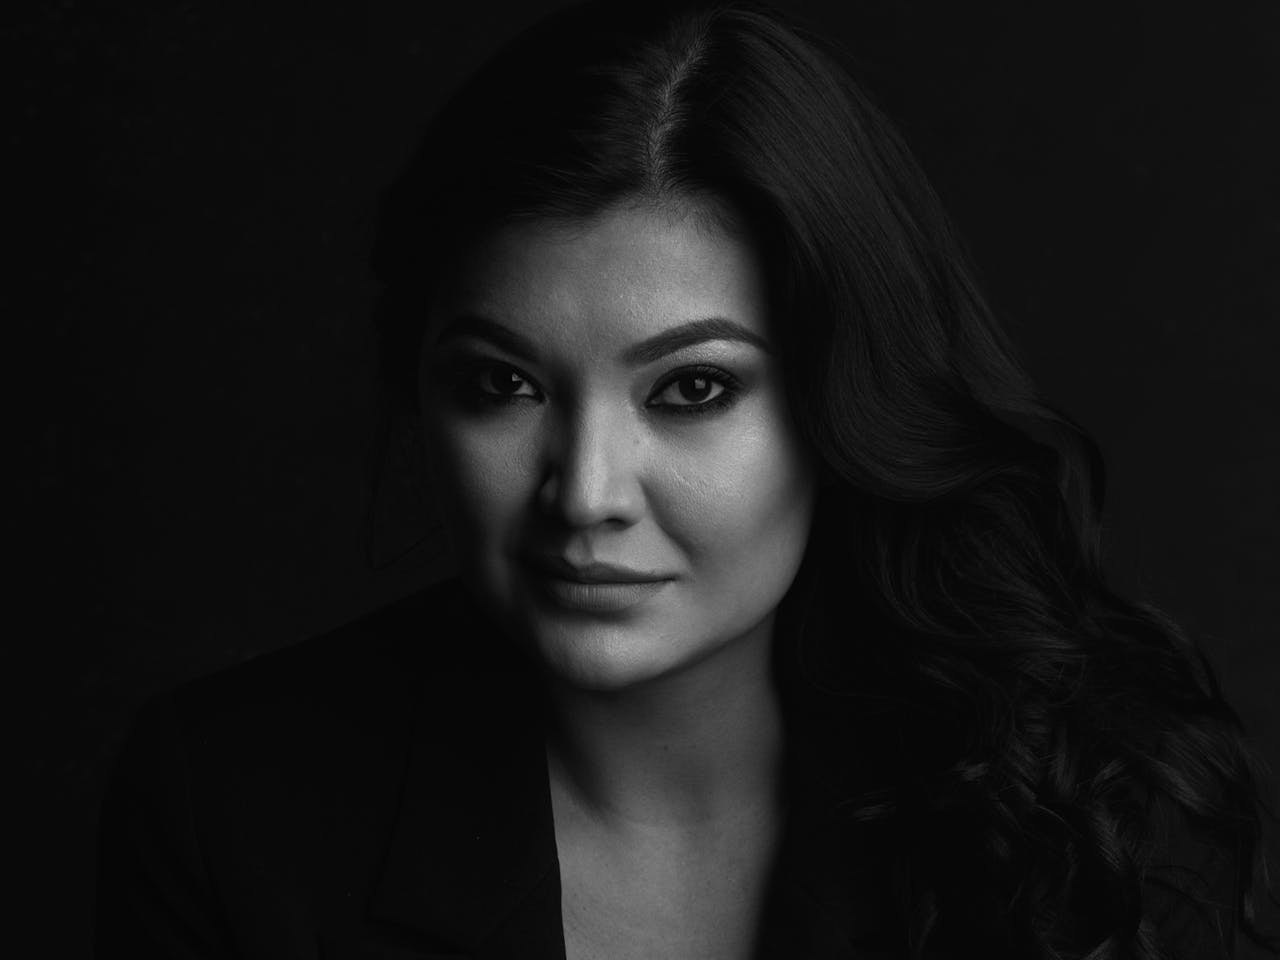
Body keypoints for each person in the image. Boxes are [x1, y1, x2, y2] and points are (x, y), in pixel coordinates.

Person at [94, 1, 1275, 957]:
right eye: (503, 386)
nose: (585, 492)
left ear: (838, 401)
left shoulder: (1098, 808)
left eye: (691, 390)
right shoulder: (230, 810)